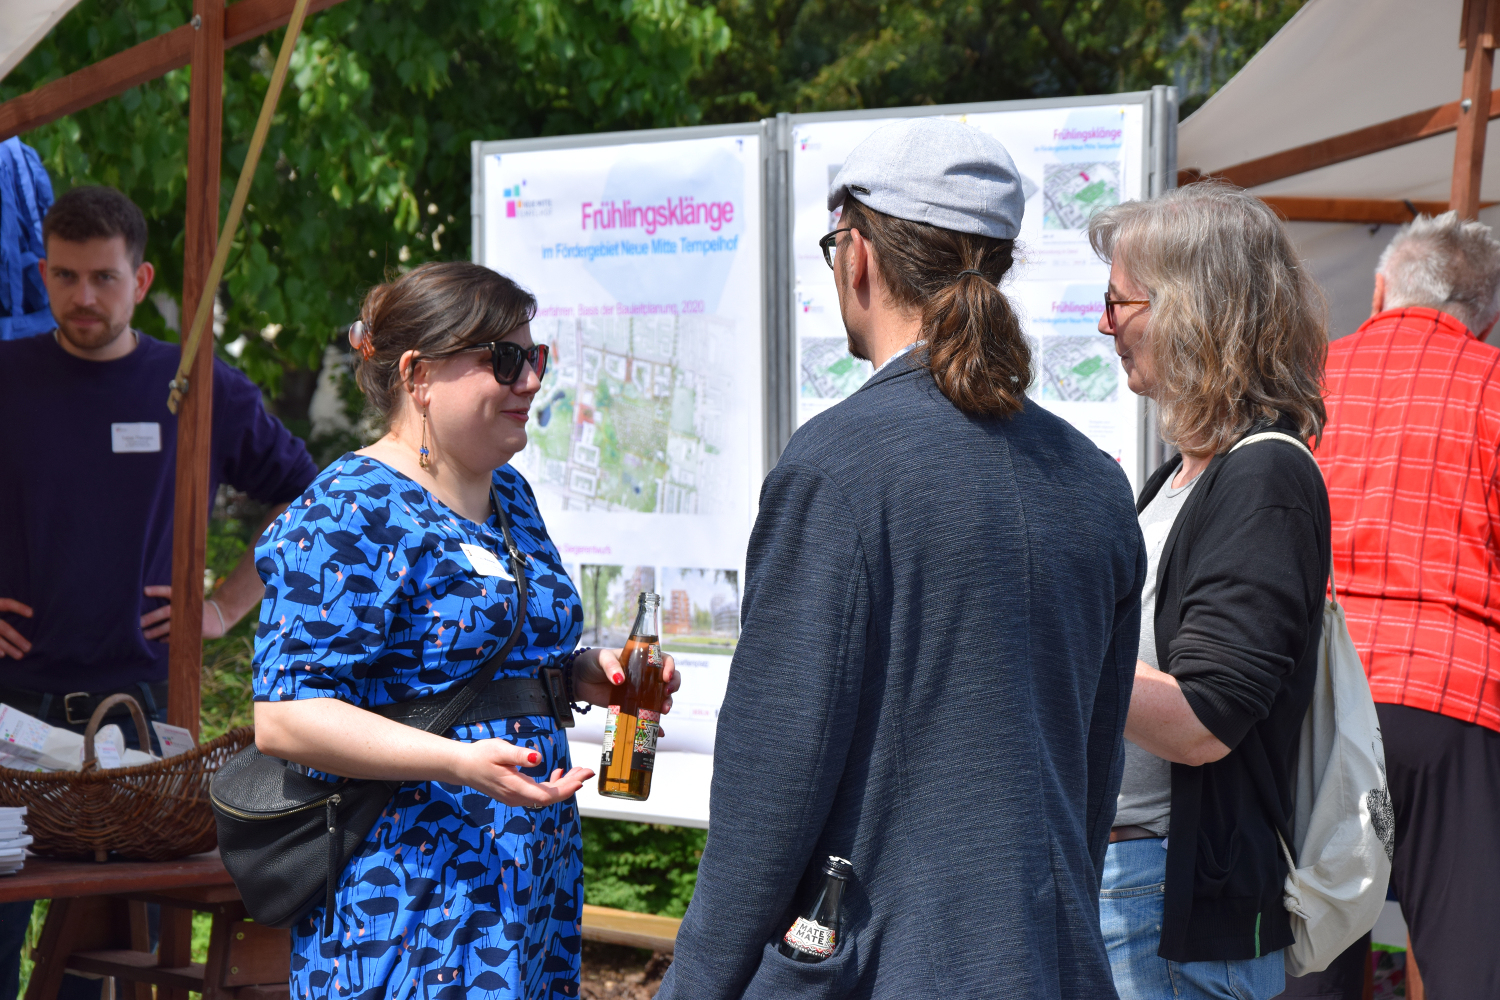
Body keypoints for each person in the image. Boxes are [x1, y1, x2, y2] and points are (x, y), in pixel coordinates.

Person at [658, 118, 1145, 999]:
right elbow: (1091, 774)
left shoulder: (838, 466)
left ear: (860, 256)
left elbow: (771, 786)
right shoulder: (1093, 483)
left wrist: (697, 986)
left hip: (886, 967)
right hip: (1053, 961)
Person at [251, 261, 680, 1000]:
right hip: (413, 887)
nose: (531, 381)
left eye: (535, 358)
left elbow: (497, 656)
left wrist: (587, 674)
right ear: (418, 375)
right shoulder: (354, 506)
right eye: (505, 360)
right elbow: (286, 717)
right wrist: (452, 761)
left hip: (527, 878)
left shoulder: (509, 493)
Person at [0, 185, 317, 999]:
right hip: (8, 702)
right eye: (66, 277)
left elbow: (311, 500)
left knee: (107, 950)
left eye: (103, 278)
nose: (82, 297)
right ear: (42, 274)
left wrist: (225, 605)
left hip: (138, 706)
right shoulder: (7, 375)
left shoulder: (197, 384)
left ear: (140, 282)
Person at [1088, 182, 1331, 1000]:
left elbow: (1203, 722)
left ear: (1193, 308)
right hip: (1132, 888)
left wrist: (1044, 642)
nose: (1104, 324)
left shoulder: (1264, 475)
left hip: (1170, 908)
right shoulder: (1181, 475)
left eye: (1119, 301)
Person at [1315, 211, 1500, 999]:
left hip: (1317, 702)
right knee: (1470, 968)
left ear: (1380, 288)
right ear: (1487, 316)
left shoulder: (1306, 379)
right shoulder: (1493, 383)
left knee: (1307, 962)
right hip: (1455, 698)